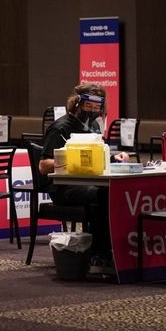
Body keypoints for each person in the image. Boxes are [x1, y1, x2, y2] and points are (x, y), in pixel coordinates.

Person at [38, 83, 127, 273]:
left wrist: (113, 157)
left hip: (88, 183)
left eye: (97, 107)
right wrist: (71, 157)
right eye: (89, 105)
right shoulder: (60, 128)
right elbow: (43, 166)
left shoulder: (93, 126)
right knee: (102, 196)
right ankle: (99, 254)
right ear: (77, 104)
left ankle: (111, 250)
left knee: (111, 192)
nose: (93, 110)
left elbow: (96, 155)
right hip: (63, 188)